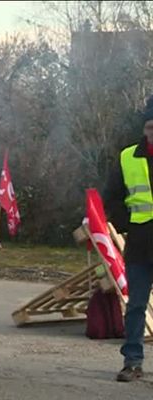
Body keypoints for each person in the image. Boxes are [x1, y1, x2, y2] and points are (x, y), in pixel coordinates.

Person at [105, 96, 153, 382]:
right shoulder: (127, 157)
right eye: (150, 126)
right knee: (136, 304)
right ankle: (132, 361)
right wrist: (126, 225)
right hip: (140, 241)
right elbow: (111, 196)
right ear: (144, 128)